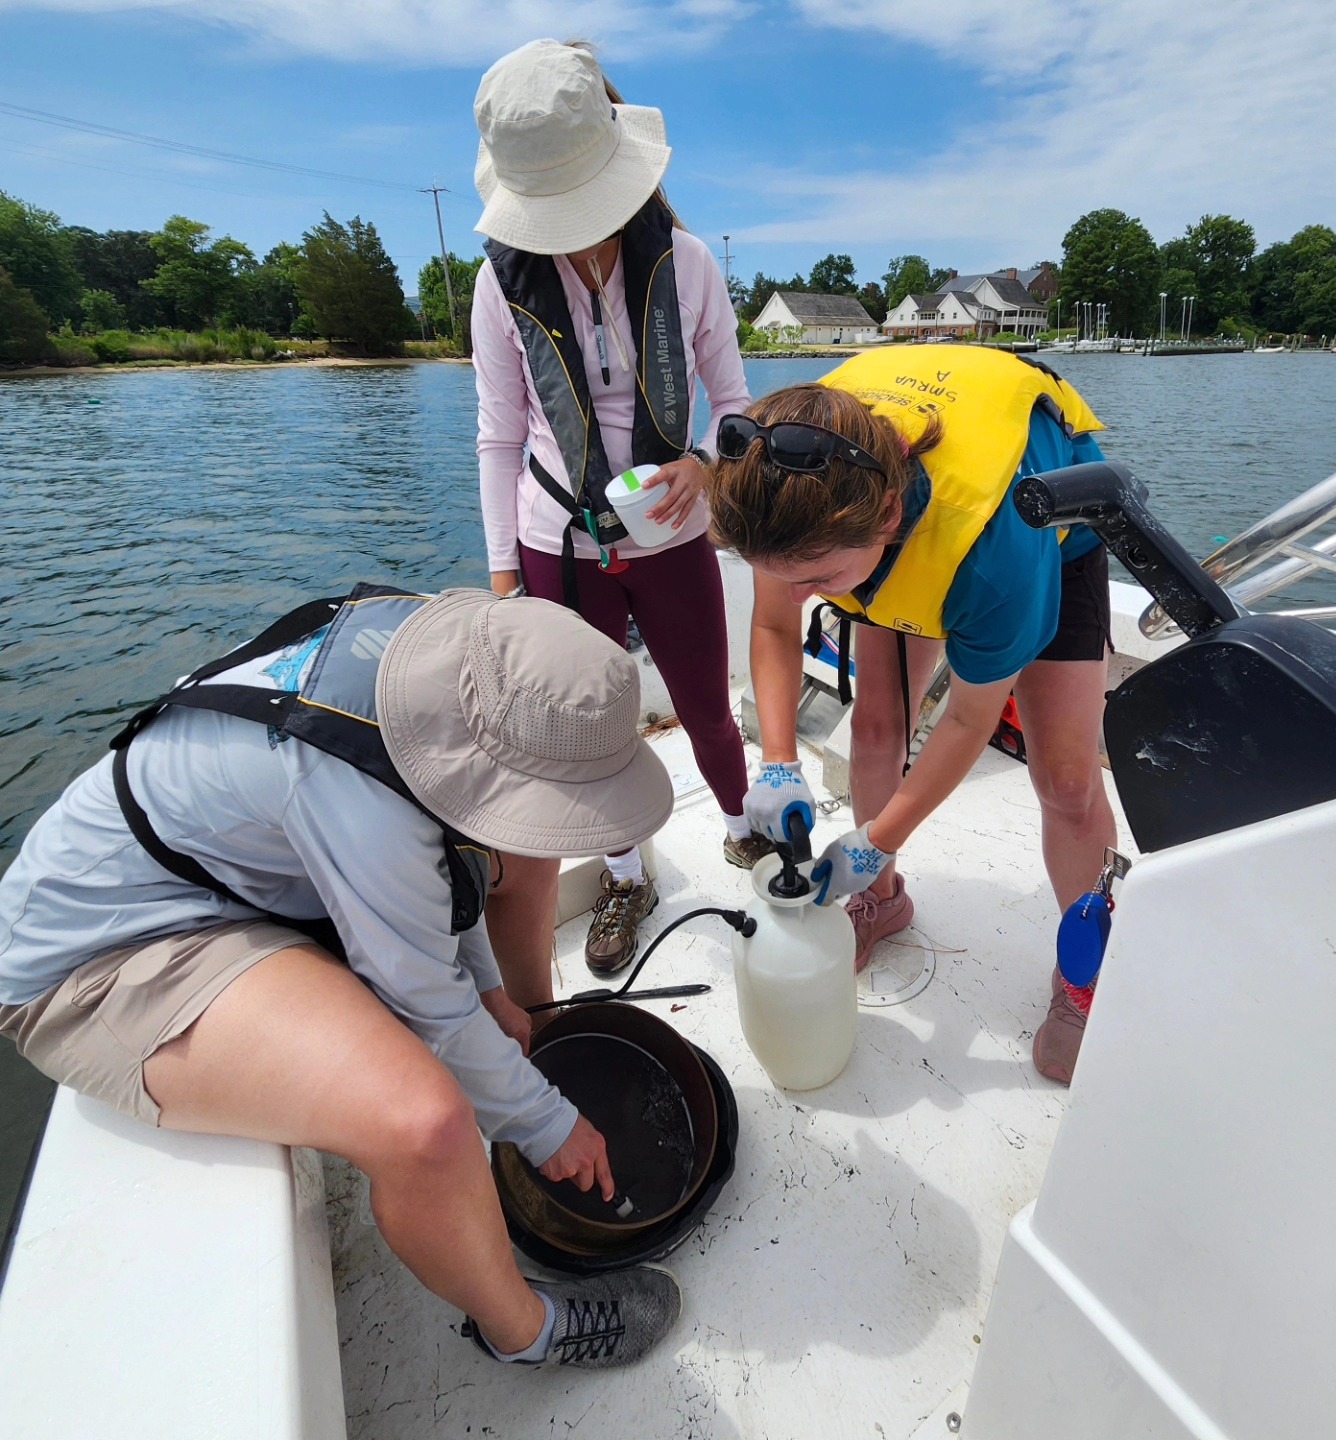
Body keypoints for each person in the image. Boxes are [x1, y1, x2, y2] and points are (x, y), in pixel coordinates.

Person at [0, 585, 683, 1368]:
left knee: (522, 869)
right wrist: (544, 1124)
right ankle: (526, 1333)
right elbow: (424, 991)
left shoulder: (449, 662)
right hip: (109, 954)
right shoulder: (353, 800)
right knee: (423, 1124)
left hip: (240, 875)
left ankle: (516, 1071)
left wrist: (492, 994)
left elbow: (450, 852)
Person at [707, 345, 1120, 1085]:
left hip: (1043, 532)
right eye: (783, 578)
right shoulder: (787, 496)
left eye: (819, 580)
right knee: (871, 727)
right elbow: (773, 626)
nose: (800, 597)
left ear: (888, 515)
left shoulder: (996, 553)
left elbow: (967, 720)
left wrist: (875, 836)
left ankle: (1086, 975)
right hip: (892, 537)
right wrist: (777, 760)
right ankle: (884, 900)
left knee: (1067, 783)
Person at [469, 38, 768, 981]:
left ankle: (737, 827)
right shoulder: (497, 284)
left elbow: (737, 402)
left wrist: (710, 471)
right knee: (584, 729)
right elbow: (498, 435)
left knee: (706, 706)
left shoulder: (686, 264)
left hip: (674, 533)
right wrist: (505, 579)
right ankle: (624, 874)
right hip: (553, 541)